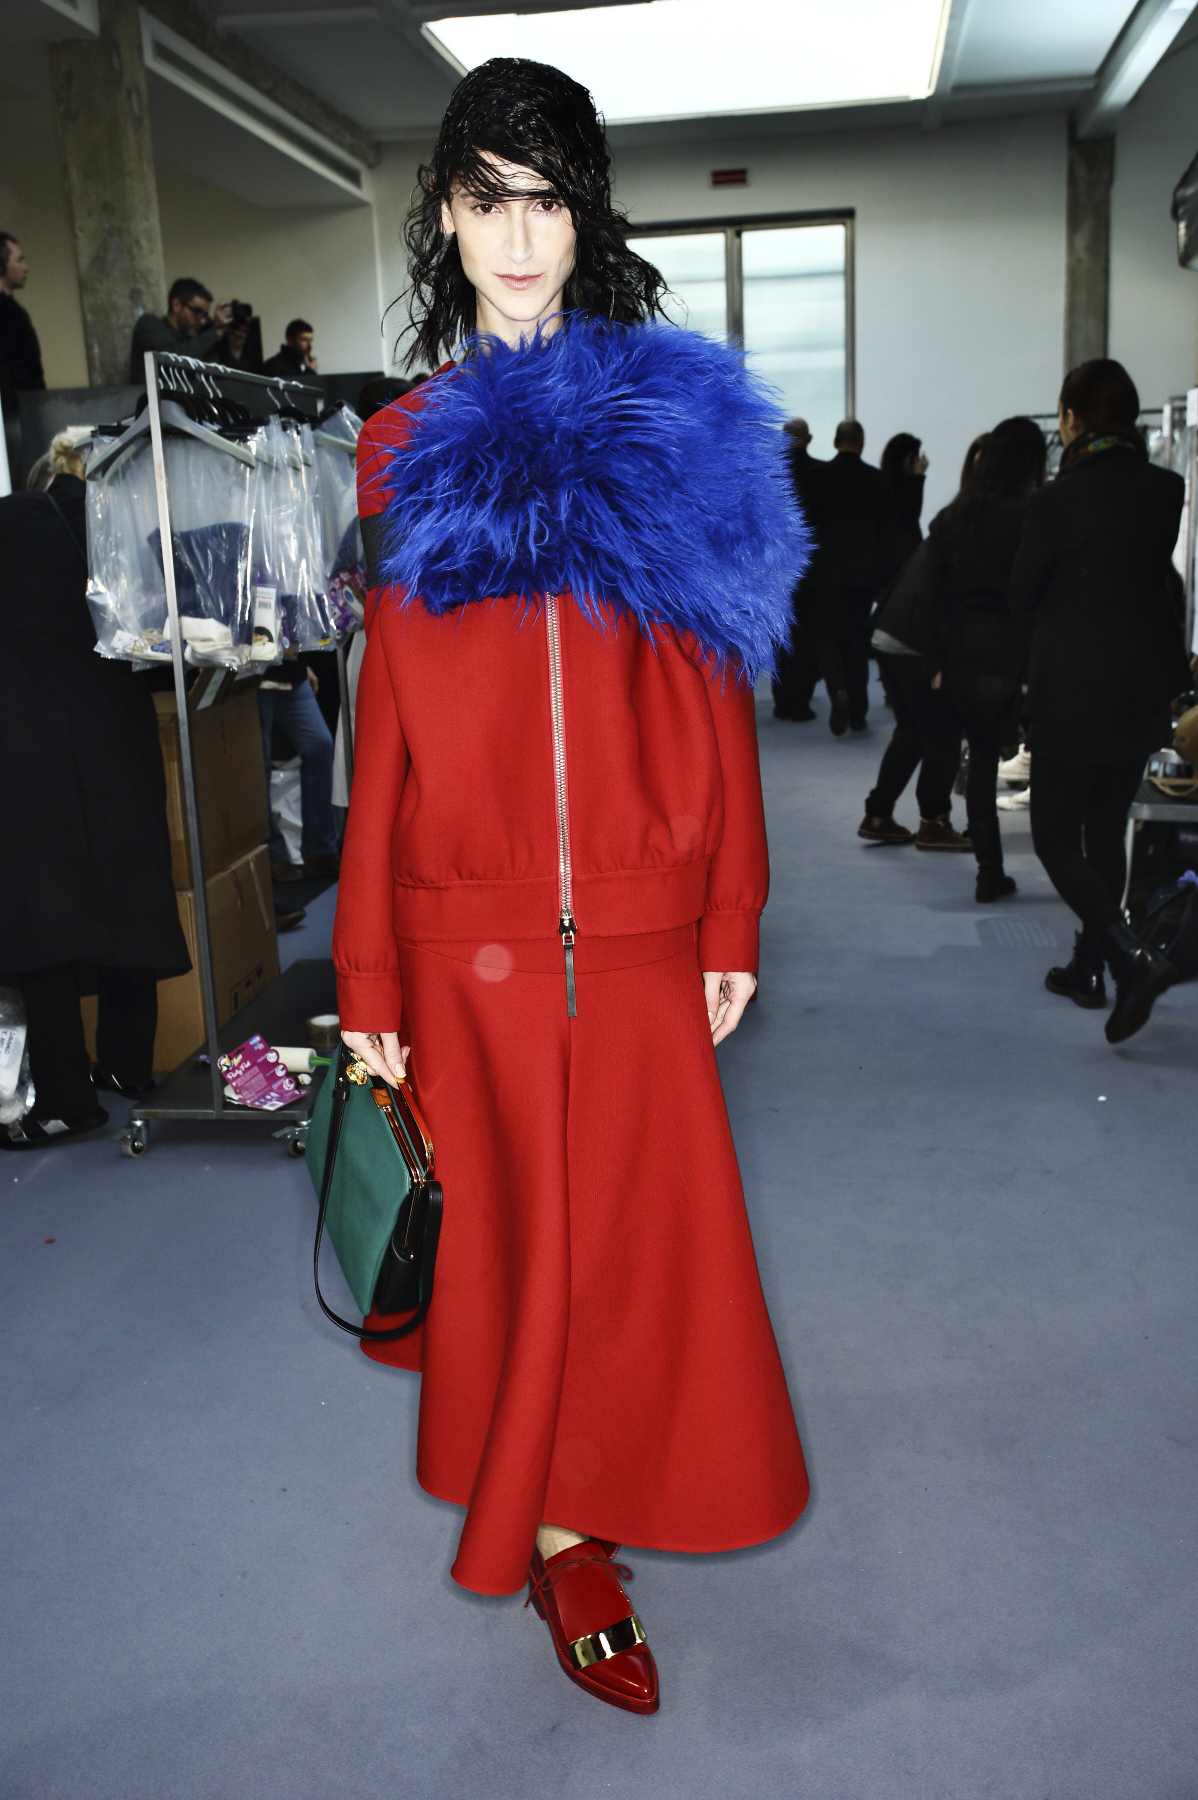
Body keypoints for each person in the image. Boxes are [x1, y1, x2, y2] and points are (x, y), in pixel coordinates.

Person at [333, 55, 809, 1715]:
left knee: (634, 1250)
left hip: (638, 916)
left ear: (583, 215)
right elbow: (381, 724)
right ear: (445, 216)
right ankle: (558, 1539)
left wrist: (729, 906)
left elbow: (719, 684)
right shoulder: (398, 447)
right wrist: (370, 978)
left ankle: (590, 1504)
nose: (518, 236)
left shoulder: (675, 418)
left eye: (547, 199)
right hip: (466, 934)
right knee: (518, 1252)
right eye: (487, 198)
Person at [0, 435, 190, 1147]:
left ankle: (65, 1096)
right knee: (128, 890)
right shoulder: (123, 535)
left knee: (42, 914)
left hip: (30, 743)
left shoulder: (15, 526)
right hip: (116, 725)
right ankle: (129, 1065)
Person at [1010, 358, 1188, 1042]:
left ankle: (1129, 956)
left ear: (1073, 418)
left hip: (1071, 687)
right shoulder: (1166, 489)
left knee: (1055, 837)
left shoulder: (1057, 500)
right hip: (1142, 686)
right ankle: (1090, 965)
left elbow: (1023, 593)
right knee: (1105, 829)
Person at [918, 417, 1047, 900]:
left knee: (980, 764)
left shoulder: (955, 516)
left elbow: (931, 596)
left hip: (963, 655)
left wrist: (934, 662)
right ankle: (1060, 862)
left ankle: (988, 869)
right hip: (1018, 656)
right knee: (1028, 756)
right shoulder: (1036, 515)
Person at [858, 541, 970, 850]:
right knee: (943, 735)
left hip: (887, 631)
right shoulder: (979, 539)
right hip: (915, 643)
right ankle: (933, 823)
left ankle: (878, 814)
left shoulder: (947, 527)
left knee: (911, 732)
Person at [808, 418, 897, 735]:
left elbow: (804, 530)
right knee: (858, 638)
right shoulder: (878, 480)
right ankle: (858, 712)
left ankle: (838, 693)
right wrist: (886, 579)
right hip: (865, 572)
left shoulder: (816, 479)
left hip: (825, 572)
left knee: (828, 637)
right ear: (861, 442)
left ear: (834, 442)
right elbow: (887, 533)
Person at [258, 664, 341, 882]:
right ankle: (272, 853)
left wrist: (300, 663)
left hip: (286, 667)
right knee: (259, 760)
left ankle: (320, 849)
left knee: (319, 745)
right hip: (250, 670)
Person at [771, 417, 824, 721]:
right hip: (812, 568)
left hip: (776, 567)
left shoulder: (767, 474)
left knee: (780, 636)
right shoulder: (822, 475)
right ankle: (800, 701)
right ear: (810, 438)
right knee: (805, 636)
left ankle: (781, 700)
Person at [129, 279, 247, 382]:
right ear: (176, 305)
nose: (201, 321)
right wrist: (216, 332)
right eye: (196, 312)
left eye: (205, 315)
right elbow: (173, 357)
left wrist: (234, 348)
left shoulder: (197, 339)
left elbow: (223, 380)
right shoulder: (149, 323)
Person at [0, 234, 45, 399]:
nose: (25, 267)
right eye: (19, 261)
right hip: (13, 411)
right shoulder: (8, 312)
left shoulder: (15, 311)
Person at [881, 431, 928, 565]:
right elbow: (911, 515)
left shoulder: (888, 483)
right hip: (900, 557)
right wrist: (918, 477)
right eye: (914, 457)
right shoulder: (889, 486)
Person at [263, 318, 319, 383]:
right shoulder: (274, 366)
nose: (310, 346)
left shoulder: (307, 364)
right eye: (304, 340)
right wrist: (310, 372)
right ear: (290, 341)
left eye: (311, 340)